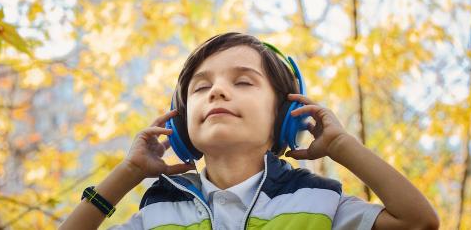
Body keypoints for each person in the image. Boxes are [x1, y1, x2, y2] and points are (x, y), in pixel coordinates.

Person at [59, 32, 439, 230]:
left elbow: (417, 221)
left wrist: (340, 144)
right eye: (201, 87)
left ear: (287, 115)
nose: (218, 90)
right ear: (178, 124)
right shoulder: (159, 211)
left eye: (243, 82)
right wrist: (128, 174)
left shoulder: (319, 202)